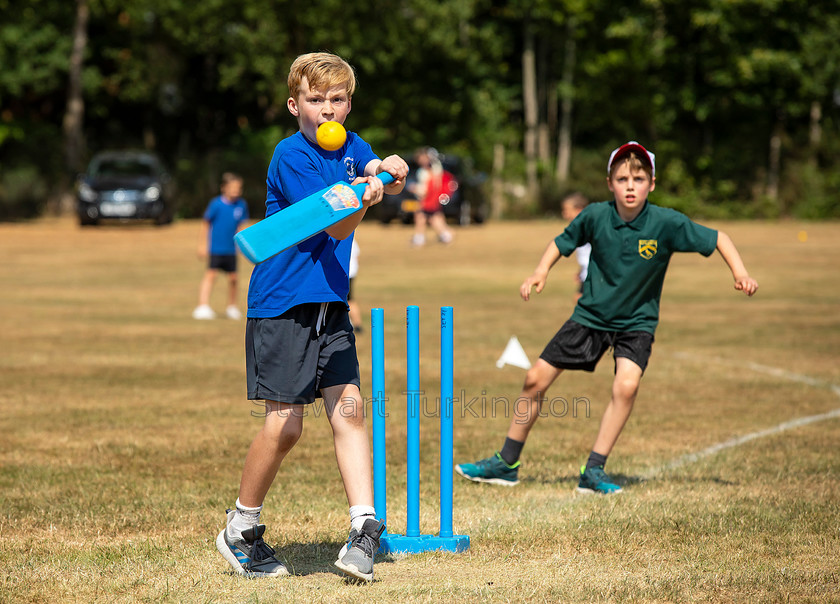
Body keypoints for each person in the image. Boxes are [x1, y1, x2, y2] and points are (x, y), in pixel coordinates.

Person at [455, 141, 758, 494]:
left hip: (636, 323)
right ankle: (506, 463)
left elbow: (719, 238)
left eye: (639, 179)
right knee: (535, 379)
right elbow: (561, 242)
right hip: (591, 317)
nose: (631, 186)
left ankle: (594, 469)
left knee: (626, 386)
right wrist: (540, 271)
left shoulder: (666, 223)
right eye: (623, 178)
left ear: (652, 183)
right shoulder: (596, 216)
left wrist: (740, 273)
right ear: (609, 183)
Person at [214, 52, 408, 582]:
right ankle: (240, 528)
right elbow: (338, 227)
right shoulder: (290, 155)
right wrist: (368, 198)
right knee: (286, 426)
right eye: (316, 100)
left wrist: (389, 168)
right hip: (283, 303)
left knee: (349, 410)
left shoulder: (351, 144)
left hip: (330, 304)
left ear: (349, 104)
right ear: (294, 104)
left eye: (338, 100)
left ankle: (365, 527)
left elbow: (374, 170)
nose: (328, 110)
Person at [193, 173, 249, 320]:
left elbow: (241, 227)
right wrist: (202, 245)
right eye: (232, 188)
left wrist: (244, 247)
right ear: (224, 188)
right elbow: (206, 224)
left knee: (233, 278)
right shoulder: (216, 204)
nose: (236, 191)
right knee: (211, 275)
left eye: (238, 188)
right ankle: (202, 305)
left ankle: (232, 307)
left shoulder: (241, 205)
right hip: (216, 248)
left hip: (231, 249)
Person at [410, 147, 454, 247]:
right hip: (428, 197)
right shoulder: (424, 170)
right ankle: (446, 235)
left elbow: (432, 186)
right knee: (432, 218)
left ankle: (420, 239)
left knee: (423, 217)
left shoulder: (433, 170)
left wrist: (417, 190)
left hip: (429, 197)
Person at [560, 192, 591, 302]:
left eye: (567, 210)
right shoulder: (578, 229)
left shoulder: (588, 228)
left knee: (580, 301)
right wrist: (581, 271)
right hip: (586, 274)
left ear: (578, 210)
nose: (565, 214)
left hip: (592, 276)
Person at [347, 238, 363, 332]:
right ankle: (356, 324)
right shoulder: (353, 240)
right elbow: (357, 257)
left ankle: (357, 324)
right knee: (349, 299)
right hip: (352, 273)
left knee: (349, 300)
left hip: (347, 274)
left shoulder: (346, 239)